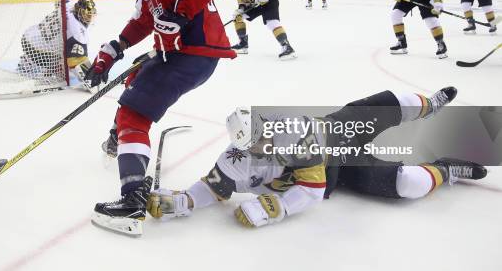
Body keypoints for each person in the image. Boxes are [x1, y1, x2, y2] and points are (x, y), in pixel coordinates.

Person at [146, 86, 487, 228]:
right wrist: (186, 201)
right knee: (408, 184)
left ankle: (428, 106)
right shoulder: (235, 157)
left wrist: (277, 209)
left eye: (262, 138)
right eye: (252, 146)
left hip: (336, 131)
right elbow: (214, 187)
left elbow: (308, 192)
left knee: (391, 100)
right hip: (339, 171)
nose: (261, 147)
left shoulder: (294, 132)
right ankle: (446, 170)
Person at [87, 0, 235, 236]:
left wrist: (180, 15)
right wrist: (114, 49)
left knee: (132, 117)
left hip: (189, 54)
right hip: (181, 55)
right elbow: (144, 20)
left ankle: (132, 199)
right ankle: (119, 141)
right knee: (135, 81)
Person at [18, 0, 96, 86]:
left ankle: (26, 62)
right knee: (68, 53)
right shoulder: (77, 31)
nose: (88, 18)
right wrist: (91, 78)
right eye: (86, 15)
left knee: (53, 41)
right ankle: (51, 72)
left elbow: (60, 1)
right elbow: (76, 61)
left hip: (28, 37)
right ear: (78, 12)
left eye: (90, 15)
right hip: (40, 53)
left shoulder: (69, 4)